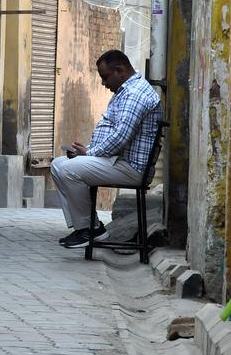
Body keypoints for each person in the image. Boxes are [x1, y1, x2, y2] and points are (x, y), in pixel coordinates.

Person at [51, 50, 161, 249]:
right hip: (117, 161)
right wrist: (87, 151)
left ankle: (90, 229)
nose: (103, 83)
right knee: (58, 165)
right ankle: (86, 227)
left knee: (68, 170)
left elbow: (120, 136)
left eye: (105, 77)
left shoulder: (135, 94)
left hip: (131, 169)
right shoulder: (126, 91)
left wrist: (89, 153)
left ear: (120, 71)